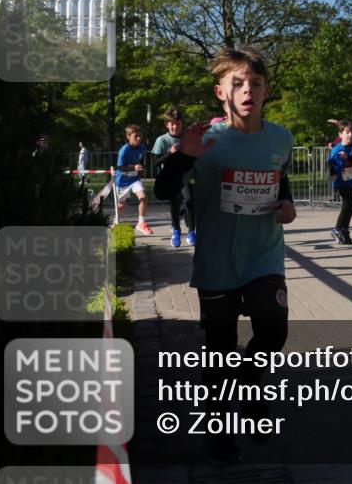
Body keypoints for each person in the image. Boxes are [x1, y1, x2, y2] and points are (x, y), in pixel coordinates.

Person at [155, 46, 296, 465]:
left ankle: (250, 393)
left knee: (273, 332)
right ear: (222, 92)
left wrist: (286, 204)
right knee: (218, 349)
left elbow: (280, 177)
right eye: (238, 83)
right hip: (216, 260)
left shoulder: (281, 138)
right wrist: (183, 156)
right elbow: (164, 191)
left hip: (264, 256)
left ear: (266, 91)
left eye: (255, 84)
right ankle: (218, 431)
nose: (247, 90)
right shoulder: (205, 139)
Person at [152, 106, 196, 248]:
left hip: (187, 176)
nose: (175, 127)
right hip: (171, 178)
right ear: (167, 124)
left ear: (181, 124)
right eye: (172, 124)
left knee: (190, 201)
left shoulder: (186, 137)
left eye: (178, 124)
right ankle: (176, 231)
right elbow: (155, 161)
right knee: (175, 203)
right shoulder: (162, 140)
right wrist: (169, 152)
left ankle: (191, 232)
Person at [328, 119, 352, 245]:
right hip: (339, 181)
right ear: (340, 135)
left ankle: (344, 229)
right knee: (349, 201)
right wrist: (332, 175)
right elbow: (330, 163)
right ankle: (338, 229)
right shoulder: (336, 149)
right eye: (347, 132)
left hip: (351, 180)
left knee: (351, 203)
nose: (350, 135)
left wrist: (349, 158)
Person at [115, 125, 153, 235]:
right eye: (136, 136)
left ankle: (141, 223)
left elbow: (139, 161)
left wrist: (141, 167)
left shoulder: (142, 147)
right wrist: (134, 167)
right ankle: (114, 225)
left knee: (143, 197)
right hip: (122, 181)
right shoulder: (124, 150)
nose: (139, 138)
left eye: (140, 136)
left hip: (134, 179)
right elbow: (120, 167)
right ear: (128, 136)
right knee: (121, 206)